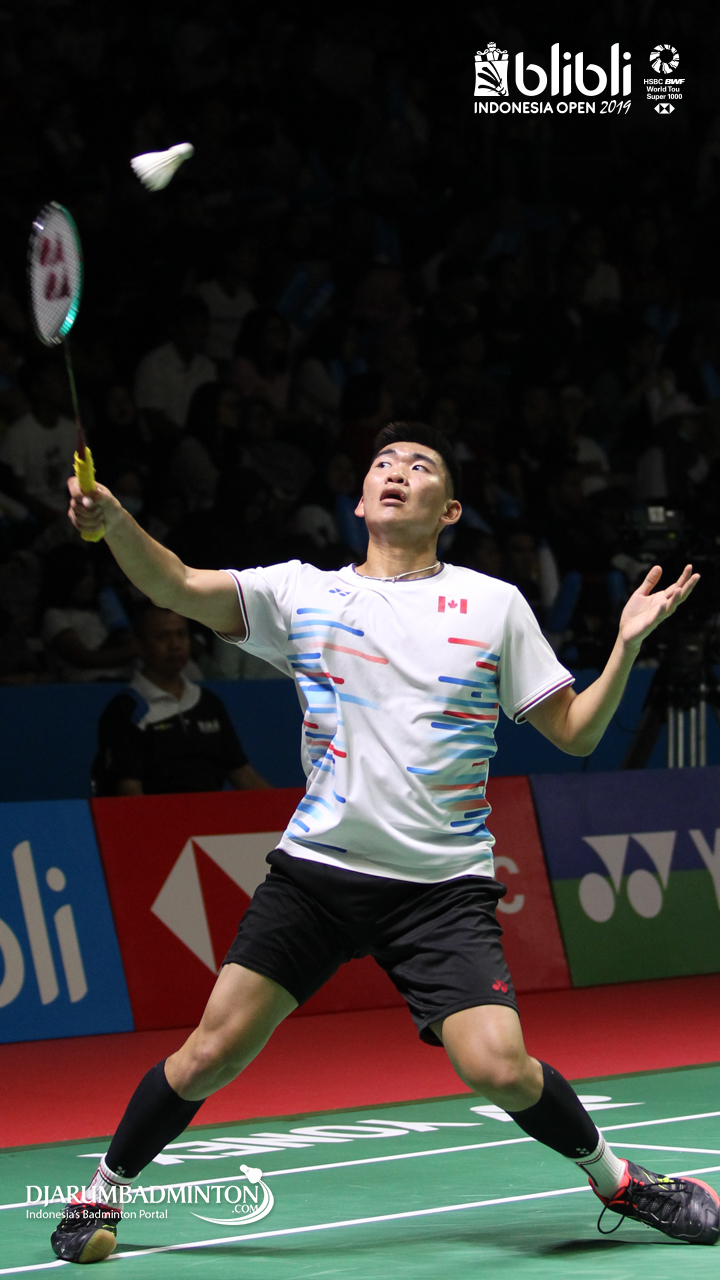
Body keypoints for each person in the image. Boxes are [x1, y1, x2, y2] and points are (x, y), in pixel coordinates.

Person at [52, 422, 717, 1264]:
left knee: (500, 1068)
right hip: (318, 875)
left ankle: (621, 1182)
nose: (398, 471)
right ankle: (99, 1193)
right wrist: (114, 523)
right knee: (209, 1054)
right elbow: (175, 583)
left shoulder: (493, 605)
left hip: (441, 886)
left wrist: (624, 646)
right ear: (361, 501)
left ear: (451, 509)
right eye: (383, 464)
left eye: (421, 465)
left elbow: (577, 732)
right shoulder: (301, 594)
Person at [93, 602, 268, 796]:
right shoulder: (125, 710)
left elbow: (243, 774)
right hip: (158, 813)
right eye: (162, 637)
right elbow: (129, 791)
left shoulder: (208, 702)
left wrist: (285, 810)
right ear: (139, 646)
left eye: (181, 634)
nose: (175, 645)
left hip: (213, 812)